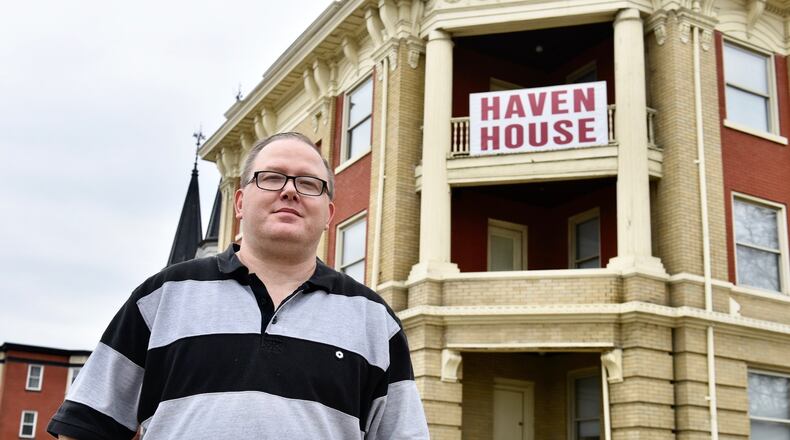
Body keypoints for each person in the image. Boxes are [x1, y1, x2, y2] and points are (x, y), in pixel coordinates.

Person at [48, 132, 429, 439]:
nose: (290, 191)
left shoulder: (374, 320)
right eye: (273, 177)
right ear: (241, 201)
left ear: (329, 213)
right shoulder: (162, 297)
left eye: (309, 183)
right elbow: (88, 425)